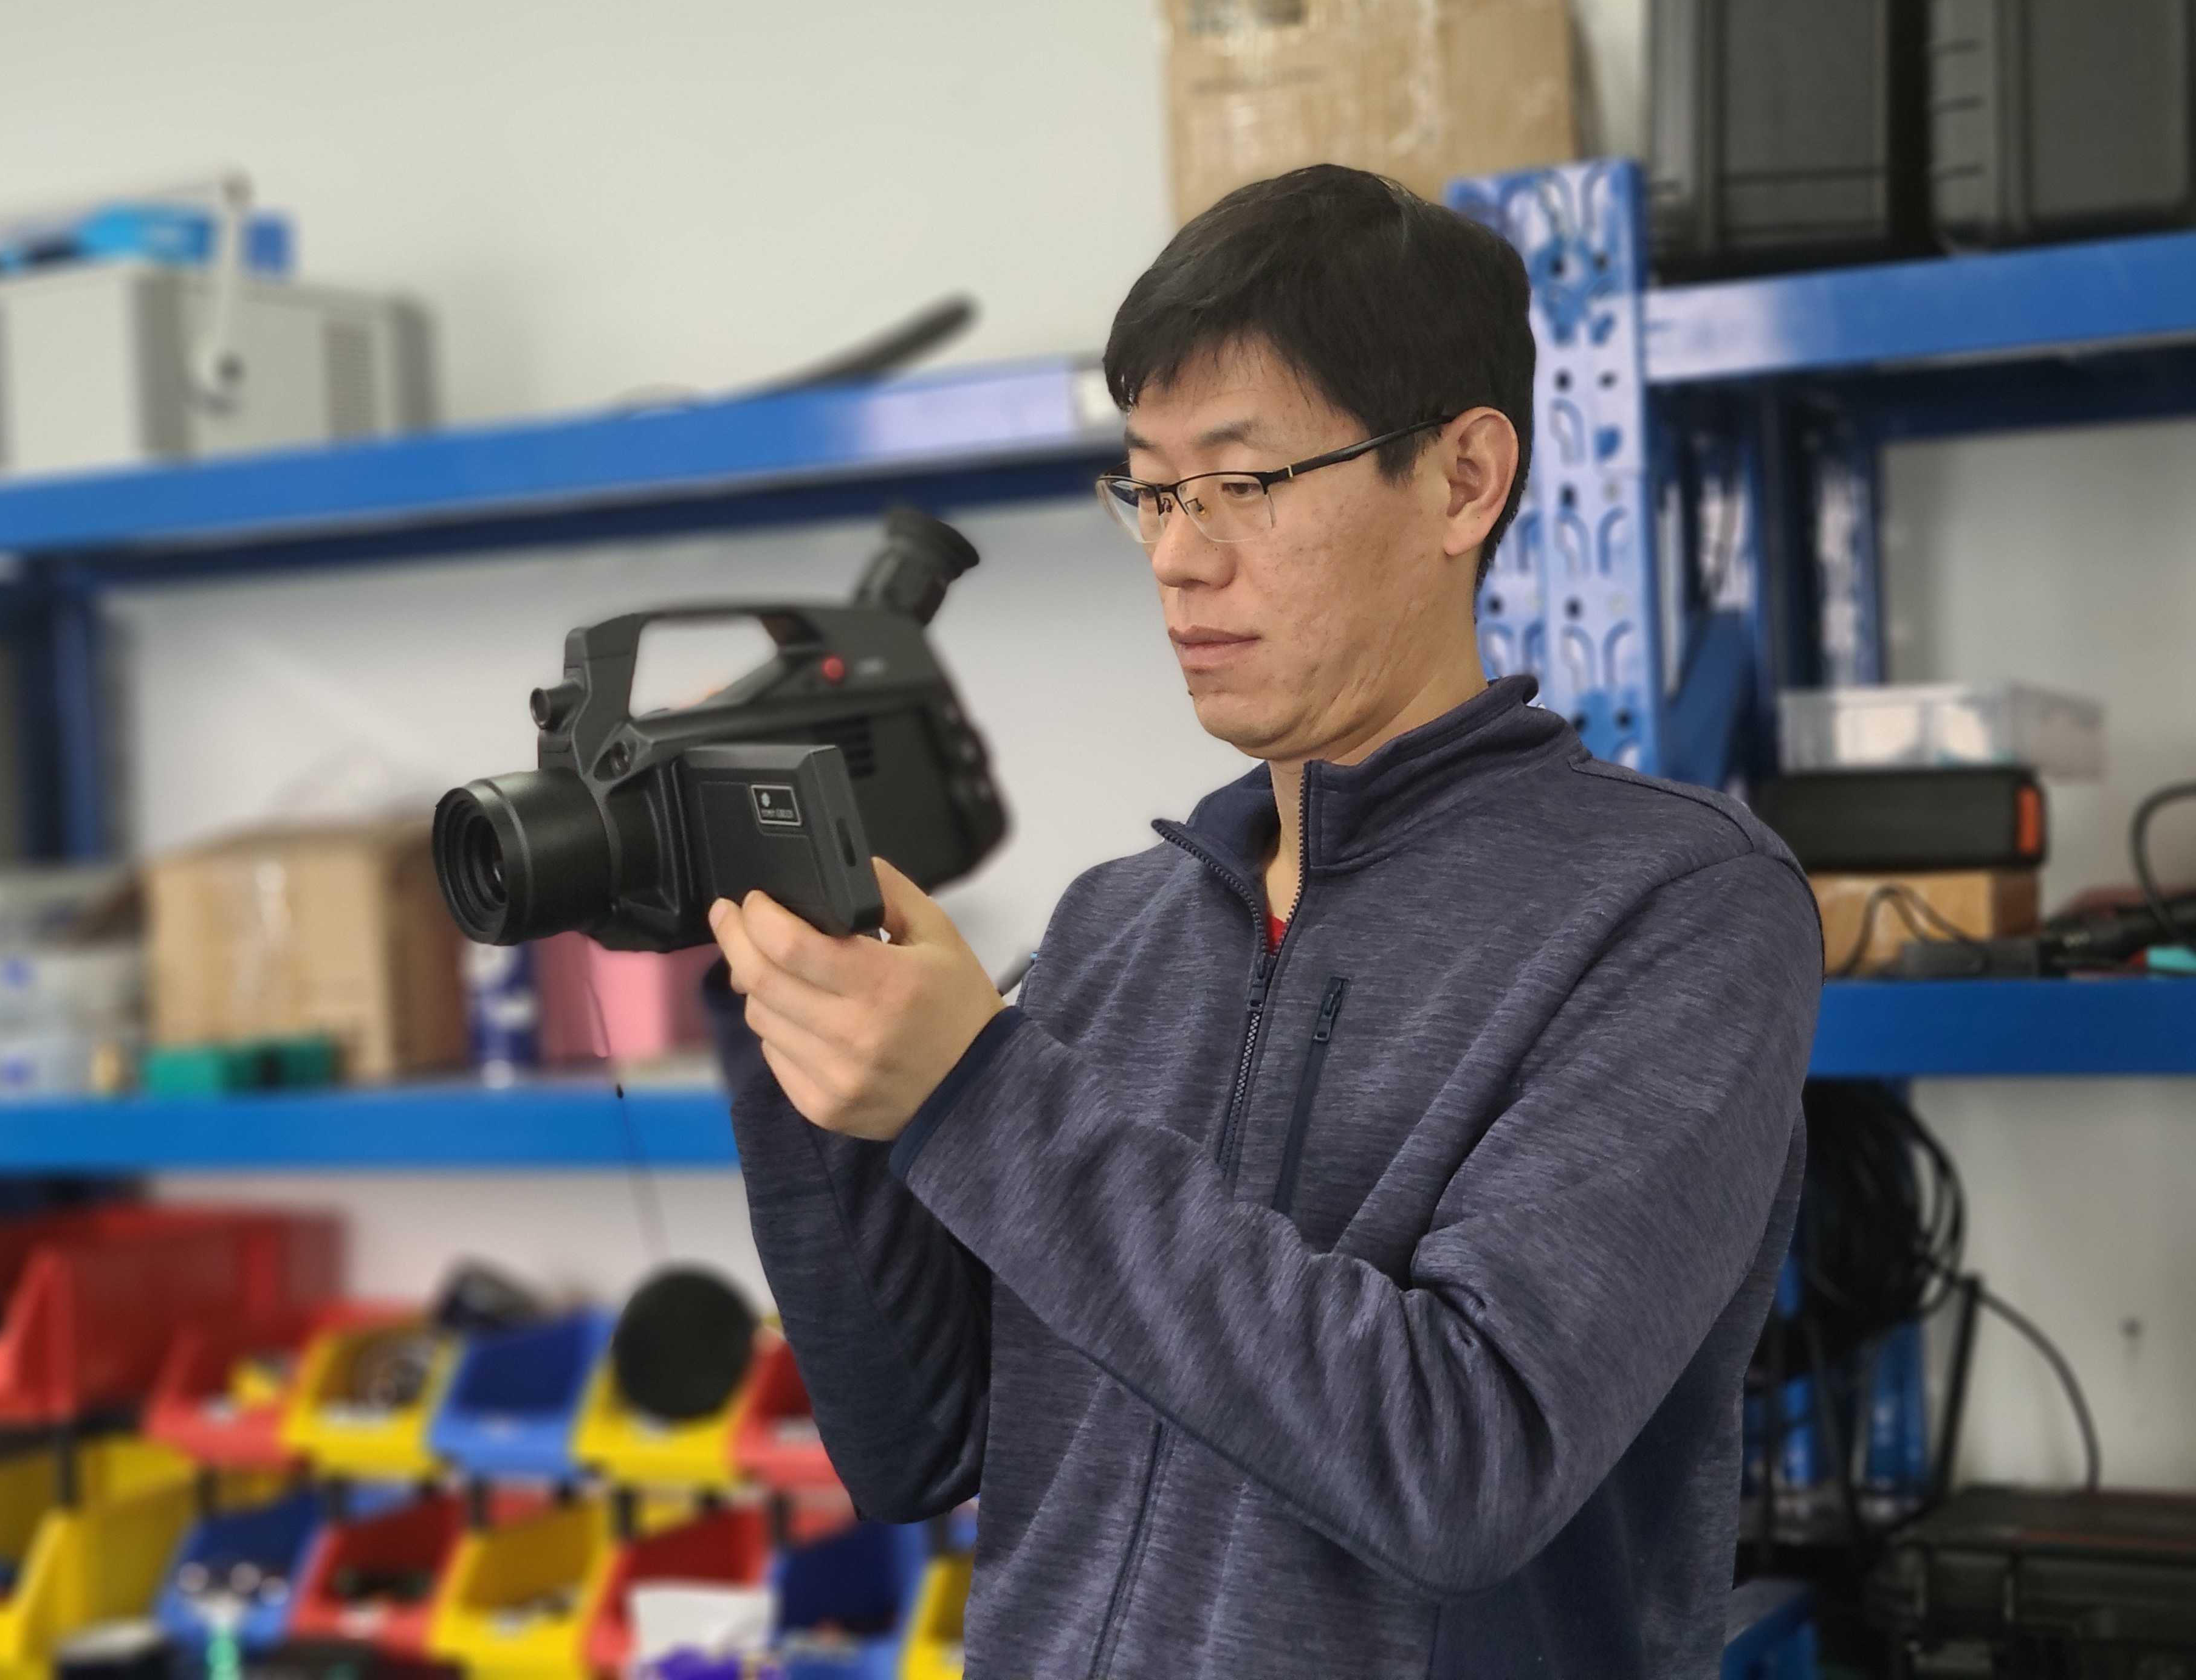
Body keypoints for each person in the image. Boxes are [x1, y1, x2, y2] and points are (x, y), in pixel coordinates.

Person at [705, 164, 1822, 1679]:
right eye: (1152, 490)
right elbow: (920, 1442)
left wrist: (977, 1094)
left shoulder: (1678, 912)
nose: (1181, 554)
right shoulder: (1120, 927)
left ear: (1463, 479)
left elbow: (1463, 1462)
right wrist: (795, 1000)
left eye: (1243, 483)